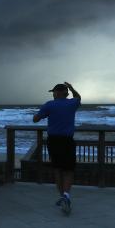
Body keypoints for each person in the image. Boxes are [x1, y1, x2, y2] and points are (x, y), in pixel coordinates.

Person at [33, 82, 81, 215]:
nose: (53, 94)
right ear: (67, 93)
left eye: (54, 92)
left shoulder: (49, 105)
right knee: (69, 170)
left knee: (58, 169)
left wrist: (43, 113)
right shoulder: (72, 103)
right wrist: (72, 88)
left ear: (59, 92)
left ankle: (62, 196)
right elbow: (78, 97)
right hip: (67, 141)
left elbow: (35, 119)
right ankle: (66, 195)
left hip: (53, 141)